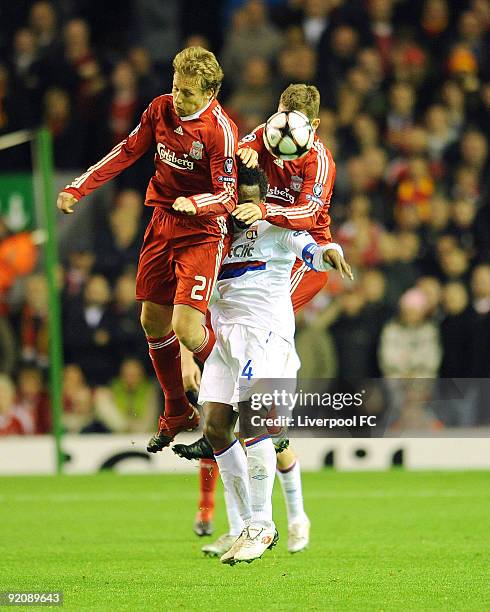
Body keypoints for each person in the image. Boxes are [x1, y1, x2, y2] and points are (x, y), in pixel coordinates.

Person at [180, 84, 342, 554]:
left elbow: (308, 218)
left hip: (294, 252)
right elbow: (232, 171)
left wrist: (318, 245)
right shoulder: (254, 141)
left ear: (312, 127)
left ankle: (273, 516)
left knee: (261, 413)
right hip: (239, 289)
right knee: (220, 422)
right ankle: (248, 520)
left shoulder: (319, 160)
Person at [56, 47, 238, 450]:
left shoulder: (220, 131)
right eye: (176, 87)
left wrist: (197, 203)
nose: (179, 98)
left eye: (188, 92)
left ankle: (243, 387)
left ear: (210, 93)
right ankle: (177, 409)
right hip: (162, 222)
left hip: (203, 231)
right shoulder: (159, 109)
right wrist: (78, 187)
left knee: (186, 329)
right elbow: (127, 151)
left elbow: (227, 195)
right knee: (152, 323)